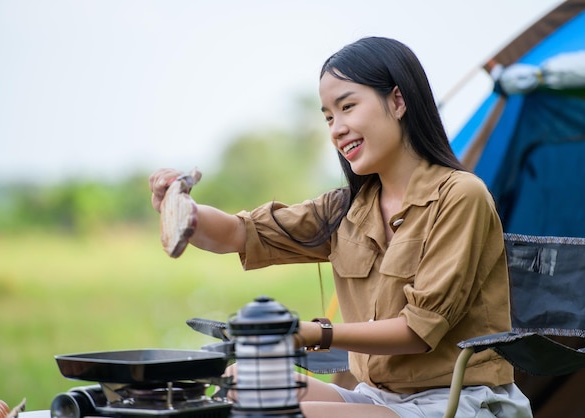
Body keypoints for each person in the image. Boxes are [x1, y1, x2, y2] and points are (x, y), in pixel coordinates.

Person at [149, 36, 532, 418]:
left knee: (282, 414)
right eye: (329, 116)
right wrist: (185, 212)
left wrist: (315, 333)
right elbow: (240, 233)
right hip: (378, 398)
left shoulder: (460, 196)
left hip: (459, 402)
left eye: (348, 107)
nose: (336, 128)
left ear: (398, 101)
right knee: (241, 383)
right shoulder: (346, 207)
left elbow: (417, 332)